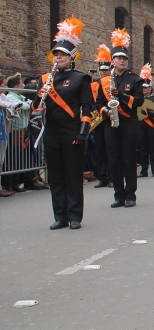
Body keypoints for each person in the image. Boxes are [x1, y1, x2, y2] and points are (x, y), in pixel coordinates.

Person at [32, 15, 92, 229]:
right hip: (52, 132)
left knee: (73, 174)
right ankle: (60, 216)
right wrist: (40, 94)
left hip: (72, 131)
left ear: (71, 56)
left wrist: (82, 132)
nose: (58, 57)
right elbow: (35, 108)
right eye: (56, 54)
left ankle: (75, 215)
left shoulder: (80, 78)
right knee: (56, 175)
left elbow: (87, 108)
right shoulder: (44, 79)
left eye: (62, 54)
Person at [94, 28, 145, 208]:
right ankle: (118, 195)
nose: (121, 61)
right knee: (113, 159)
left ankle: (130, 194)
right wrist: (106, 111)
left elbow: (139, 102)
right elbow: (98, 102)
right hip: (111, 123)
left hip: (129, 123)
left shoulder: (136, 80)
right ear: (112, 61)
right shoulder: (105, 81)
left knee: (128, 159)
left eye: (124, 59)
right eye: (118, 58)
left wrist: (122, 96)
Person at [91, 45, 112, 188]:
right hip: (98, 119)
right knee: (100, 149)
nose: (104, 72)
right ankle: (102, 176)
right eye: (102, 70)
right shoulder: (94, 85)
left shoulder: (113, 83)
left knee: (111, 148)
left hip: (111, 117)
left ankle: (111, 176)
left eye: (106, 70)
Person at [138, 64, 154, 178]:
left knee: (153, 149)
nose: (144, 90)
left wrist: (148, 112)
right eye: (143, 88)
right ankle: (143, 170)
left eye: (146, 88)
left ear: (150, 87)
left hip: (152, 126)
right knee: (143, 149)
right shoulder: (138, 99)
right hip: (141, 126)